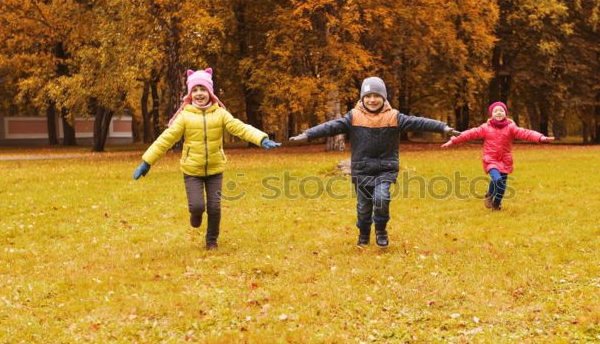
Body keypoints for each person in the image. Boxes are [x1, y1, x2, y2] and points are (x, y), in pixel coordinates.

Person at [289, 76, 460, 248]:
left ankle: (380, 229)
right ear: (362, 98)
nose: (372, 100)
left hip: (385, 169)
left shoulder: (394, 117)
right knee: (363, 208)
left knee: (381, 199)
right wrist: (307, 134)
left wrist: (443, 128)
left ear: (384, 97)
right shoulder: (353, 117)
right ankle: (363, 233)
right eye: (368, 96)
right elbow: (330, 126)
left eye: (376, 96)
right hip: (362, 170)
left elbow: (420, 123)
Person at [132, 68, 280, 250]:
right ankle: (195, 214)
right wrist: (147, 161)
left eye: (203, 89)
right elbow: (166, 139)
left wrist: (261, 138)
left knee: (215, 208)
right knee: (197, 206)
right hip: (192, 171)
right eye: (195, 90)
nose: (199, 93)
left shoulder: (220, 114)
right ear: (190, 94)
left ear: (210, 92)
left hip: (215, 169)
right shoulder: (184, 117)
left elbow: (240, 128)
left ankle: (211, 241)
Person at [442, 101, 554, 210]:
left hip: (505, 160)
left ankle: (496, 204)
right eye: (495, 111)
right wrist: (453, 140)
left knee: (502, 185)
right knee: (497, 180)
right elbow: (469, 133)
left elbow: (526, 133)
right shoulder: (485, 127)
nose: (499, 113)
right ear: (491, 114)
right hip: (490, 159)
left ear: (505, 113)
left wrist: (540, 137)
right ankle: (490, 195)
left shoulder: (511, 127)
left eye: (501, 110)